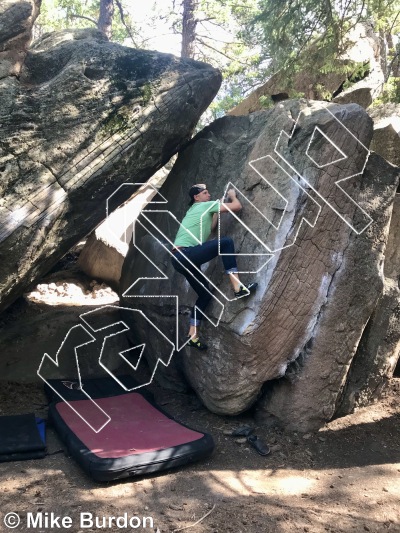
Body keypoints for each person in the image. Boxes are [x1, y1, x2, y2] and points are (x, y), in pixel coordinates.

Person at [171, 183, 258, 350]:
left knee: (205, 296)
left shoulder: (196, 210)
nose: (208, 195)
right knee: (225, 243)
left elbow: (210, 230)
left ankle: (192, 335)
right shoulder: (203, 205)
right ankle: (238, 287)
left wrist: (216, 211)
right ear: (197, 197)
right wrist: (232, 196)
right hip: (186, 255)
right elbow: (237, 206)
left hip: (180, 259)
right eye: (205, 193)